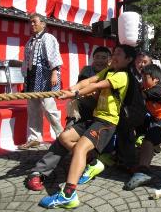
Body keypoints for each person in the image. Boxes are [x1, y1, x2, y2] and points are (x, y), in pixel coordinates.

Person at [38, 44, 136, 209]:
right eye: (115, 52)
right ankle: (92, 162)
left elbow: (97, 86)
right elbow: (91, 80)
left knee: (80, 149)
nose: (114, 55)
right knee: (64, 137)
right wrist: (75, 87)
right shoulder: (109, 70)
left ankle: (68, 195)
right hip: (96, 118)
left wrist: (75, 93)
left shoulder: (123, 76)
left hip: (107, 122)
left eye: (119, 53)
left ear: (129, 59)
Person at [124, 64, 161, 190]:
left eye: (145, 79)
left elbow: (136, 97)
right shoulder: (148, 89)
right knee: (132, 124)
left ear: (156, 80)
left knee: (150, 137)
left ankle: (143, 171)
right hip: (157, 119)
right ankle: (129, 154)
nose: (142, 81)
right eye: (142, 78)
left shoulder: (156, 90)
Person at [18, 13, 63, 150]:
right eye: (30, 22)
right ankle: (34, 137)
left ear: (43, 23)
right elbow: (26, 61)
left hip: (45, 75)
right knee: (32, 108)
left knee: (49, 107)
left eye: (34, 22)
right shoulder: (30, 41)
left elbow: (53, 56)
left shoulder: (48, 38)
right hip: (32, 76)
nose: (32, 24)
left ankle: (61, 135)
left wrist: (54, 73)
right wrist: (25, 76)